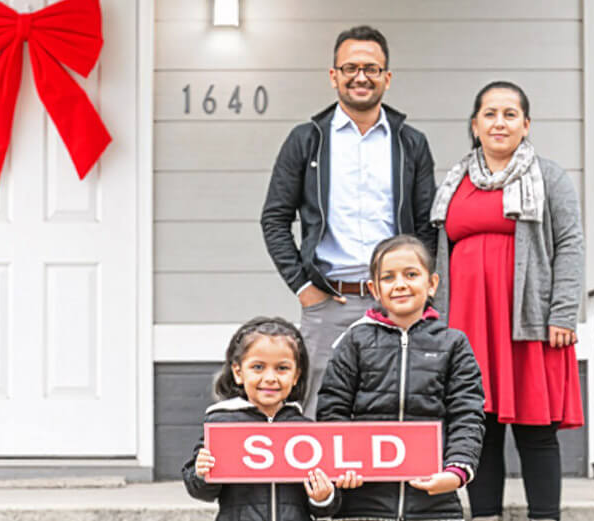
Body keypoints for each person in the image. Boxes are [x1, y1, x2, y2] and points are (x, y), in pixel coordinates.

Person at [261, 25, 437, 417]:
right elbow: (274, 219)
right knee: (316, 409)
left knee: (397, 404)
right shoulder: (306, 140)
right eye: (351, 67)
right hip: (327, 300)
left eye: (372, 69)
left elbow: (426, 227)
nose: (361, 77)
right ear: (334, 75)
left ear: (386, 78)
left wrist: (415, 288)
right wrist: (303, 286)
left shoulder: (411, 143)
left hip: (394, 300)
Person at [431, 81, 585, 521]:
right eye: (490, 114)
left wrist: (562, 312)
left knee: (536, 430)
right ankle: (484, 516)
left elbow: (571, 244)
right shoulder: (455, 180)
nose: (500, 122)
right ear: (475, 124)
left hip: (530, 321)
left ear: (526, 124)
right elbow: (437, 250)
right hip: (467, 323)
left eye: (510, 114)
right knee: (479, 427)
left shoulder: (549, 176)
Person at [317, 235, 485, 521]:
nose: (400, 284)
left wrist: (456, 470)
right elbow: (333, 409)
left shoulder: (453, 343)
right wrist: (343, 462)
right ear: (374, 289)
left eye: (411, 274)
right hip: (363, 502)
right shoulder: (354, 341)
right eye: (388, 277)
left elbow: (467, 414)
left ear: (431, 284)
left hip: (435, 502)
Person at [182, 316, 361, 521]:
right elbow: (201, 491)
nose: (270, 378)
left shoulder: (306, 430)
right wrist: (202, 473)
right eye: (258, 367)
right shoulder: (222, 424)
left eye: (282, 368)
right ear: (238, 372)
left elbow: (324, 507)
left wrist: (324, 497)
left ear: (296, 376)